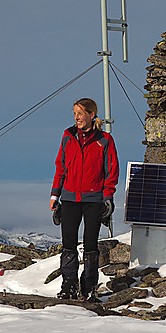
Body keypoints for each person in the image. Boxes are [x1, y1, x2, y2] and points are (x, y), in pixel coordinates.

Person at [50, 98, 119, 301]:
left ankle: (89, 288)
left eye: (80, 114)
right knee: (68, 243)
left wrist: (108, 198)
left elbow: (111, 172)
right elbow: (60, 167)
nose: (77, 118)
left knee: (91, 244)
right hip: (70, 198)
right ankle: (68, 286)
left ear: (91, 115)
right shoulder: (68, 136)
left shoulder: (105, 140)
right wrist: (55, 195)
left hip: (94, 199)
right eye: (74, 114)